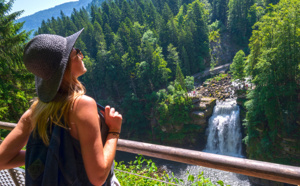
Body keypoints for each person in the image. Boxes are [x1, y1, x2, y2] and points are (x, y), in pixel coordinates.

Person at [0, 28, 122, 186]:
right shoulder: (82, 105)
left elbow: (2, 160)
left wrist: (49, 155)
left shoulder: (36, 111)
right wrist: (114, 131)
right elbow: (98, 177)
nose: (81, 55)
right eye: (76, 51)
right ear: (66, 66)